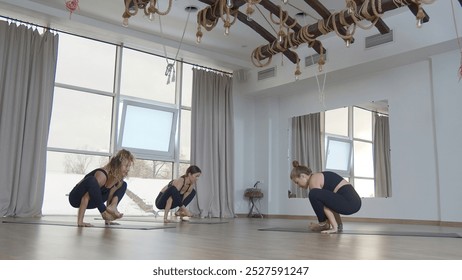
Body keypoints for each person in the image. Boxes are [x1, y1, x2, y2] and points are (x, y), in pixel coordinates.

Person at [290, 160, 361, 234]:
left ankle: (323, 224)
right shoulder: (318, 177)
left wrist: (333, 228)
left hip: (349, 202)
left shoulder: (313, 181)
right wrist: (339, 224)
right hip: (354, 202)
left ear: (303, 176)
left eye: (297, 182)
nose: (298, 186)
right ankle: (335, 225)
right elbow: (332, 203)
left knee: (313, 194)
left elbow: (325, 205)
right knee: (318, 195)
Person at [68, 149, 135, 227]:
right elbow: (85, 197)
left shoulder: (116, 178)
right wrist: (80, 222)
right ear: (118, 164)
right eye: (126, 166)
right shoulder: (102, 175)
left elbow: (109, 196)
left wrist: (108, 221)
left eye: (129, 166)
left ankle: (113, 206)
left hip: (93, 201)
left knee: (123, 185)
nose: (128, 169)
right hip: (76, 198)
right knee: (92, 180)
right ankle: (104, 212)